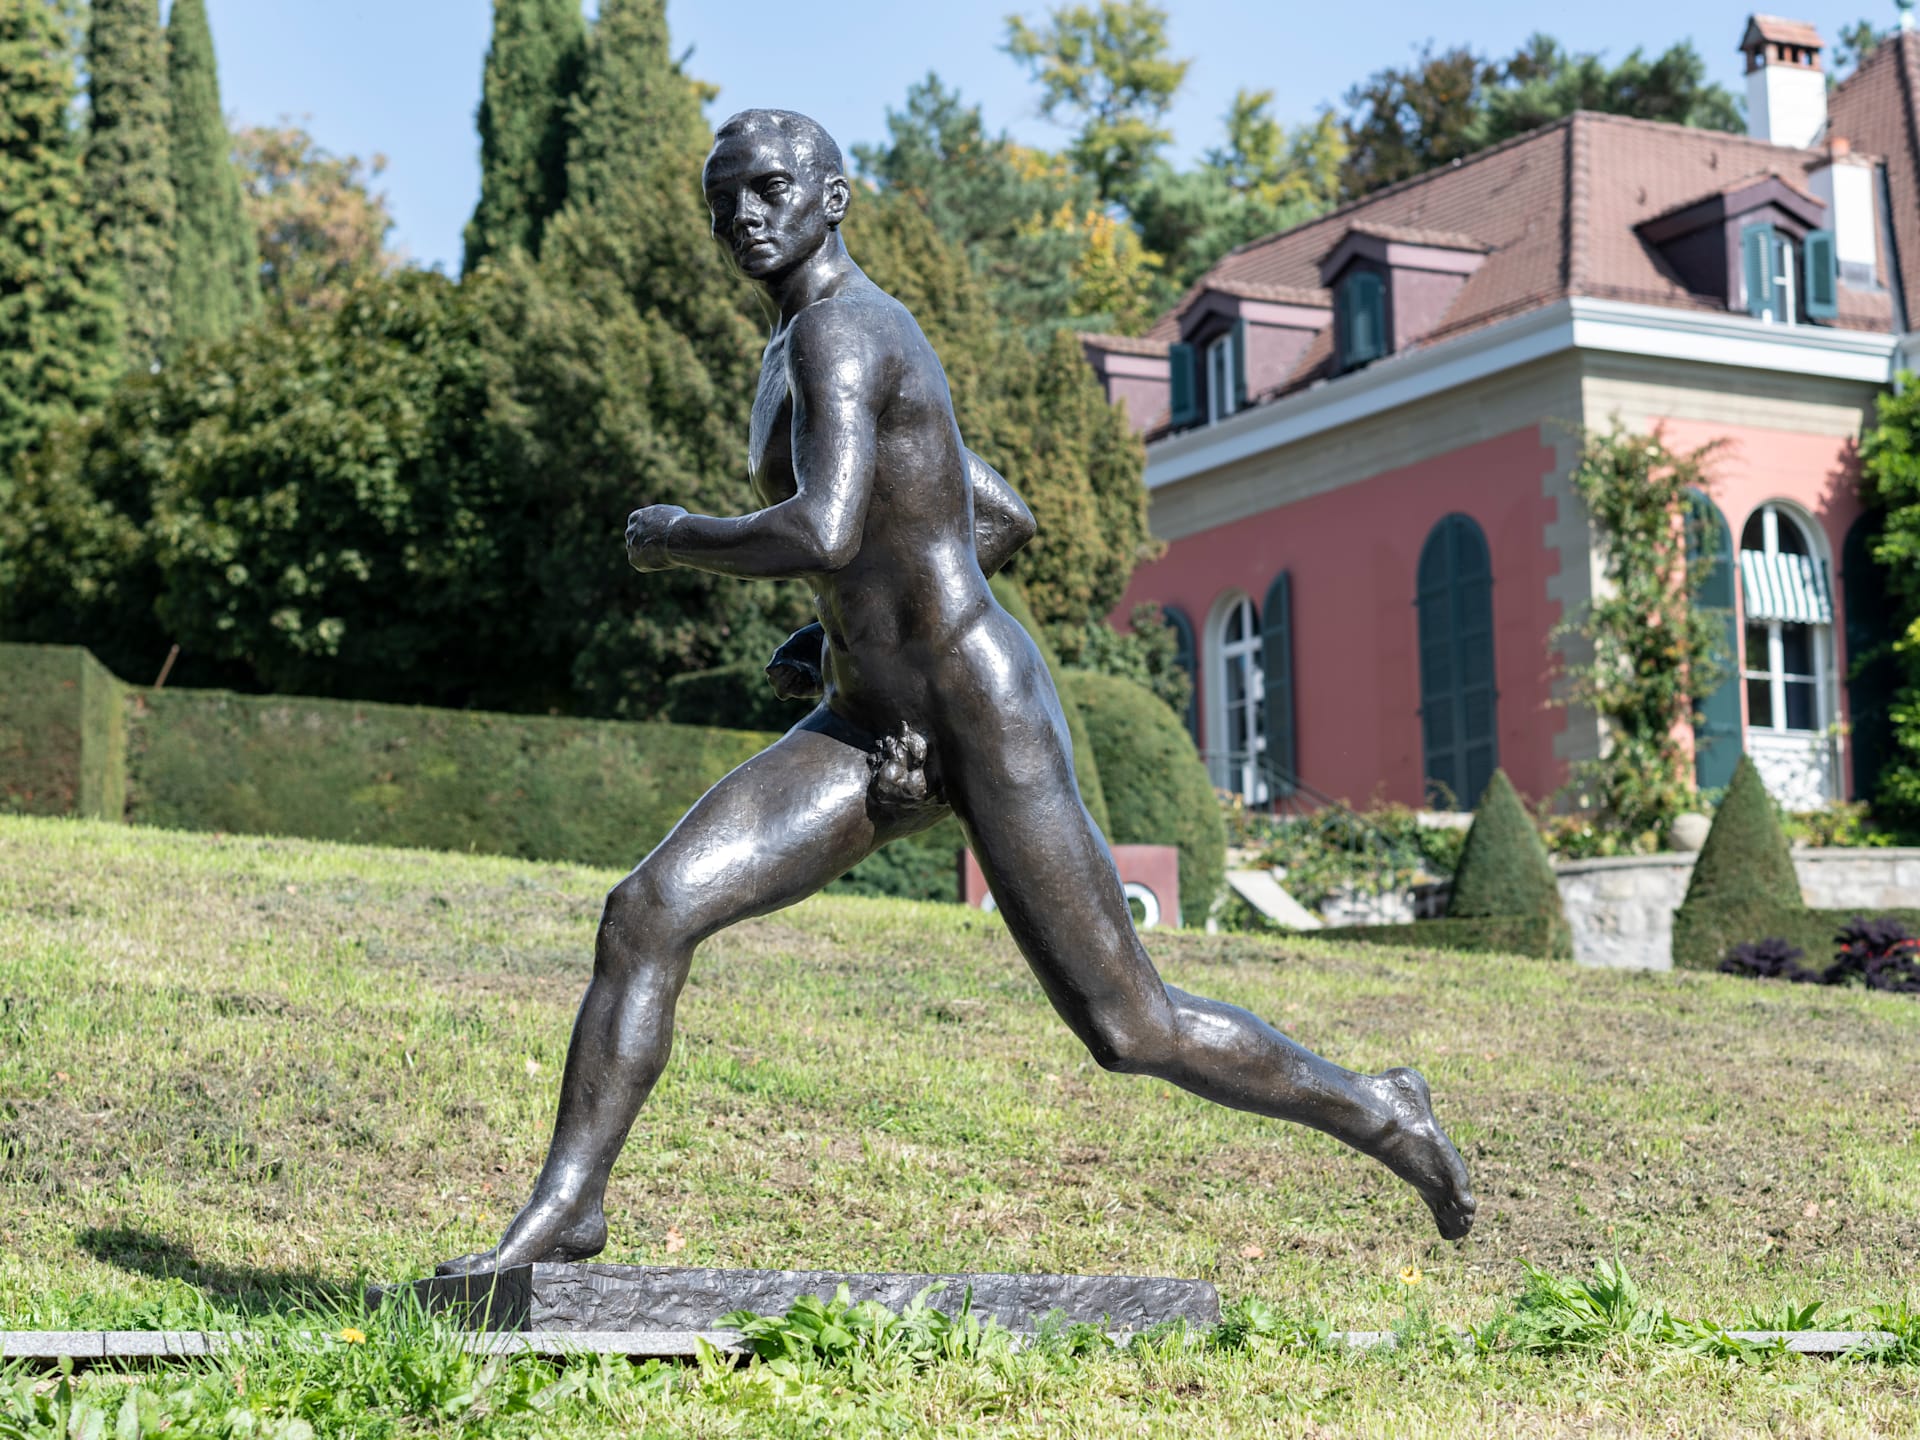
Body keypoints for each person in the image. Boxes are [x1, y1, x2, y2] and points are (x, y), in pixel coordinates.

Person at [438, 110, 1472, 1276]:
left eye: (771, 188)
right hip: (873, 720)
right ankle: (571, 1207)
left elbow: (826, 528)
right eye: (723, 198)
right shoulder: (796, 350)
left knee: (1130, 1028)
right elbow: (996, 515)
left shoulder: (846, 333)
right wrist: (841, 636)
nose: (744, 215)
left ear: (835, 197)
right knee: (648, 912)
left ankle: (1384, 1109)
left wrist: (683, 536)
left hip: (982, 716)